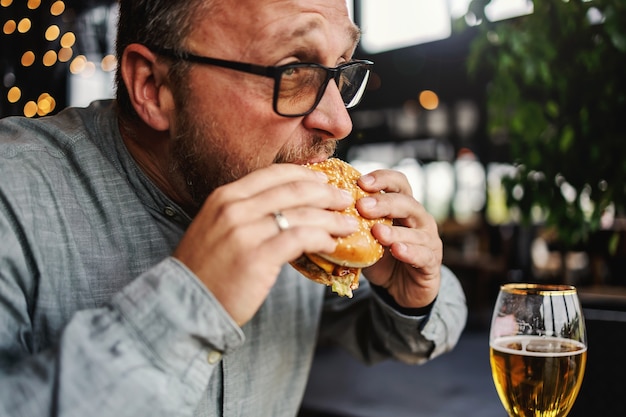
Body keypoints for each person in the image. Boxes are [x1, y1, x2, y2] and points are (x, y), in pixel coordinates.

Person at [0, 0, 467, 416]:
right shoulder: (14, 194)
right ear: (153, 85)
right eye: (293, 70)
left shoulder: (307, 210)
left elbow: (394, 334)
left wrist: (408, 297)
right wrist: (191, 303)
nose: (339, 123)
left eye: (340, 69)